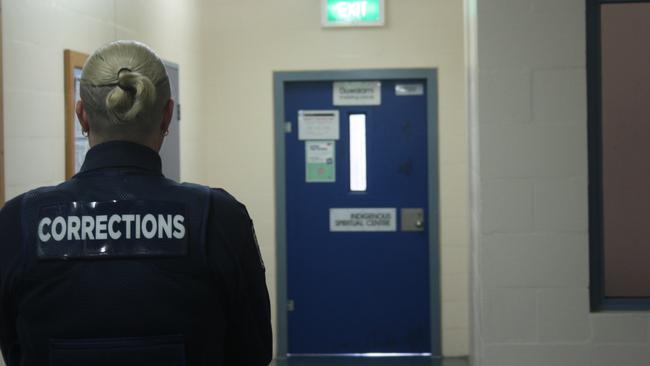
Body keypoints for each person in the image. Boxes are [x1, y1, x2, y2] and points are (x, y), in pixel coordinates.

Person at [0, 41, 272, 366]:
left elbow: (13, 346)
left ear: (82, 116)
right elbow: (253, 350)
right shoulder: (218, 217)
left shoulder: (19, 221)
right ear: (167, 114)